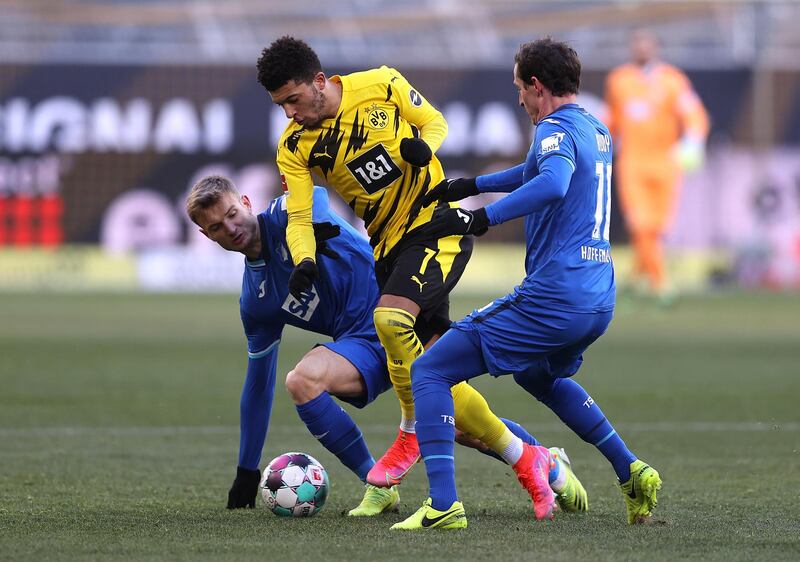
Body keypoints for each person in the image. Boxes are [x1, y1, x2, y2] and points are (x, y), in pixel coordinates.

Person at [255, 36, 571, 508]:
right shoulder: (295, 145)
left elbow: (434, 121)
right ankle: (535, 460)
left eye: (294, 101)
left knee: (389, 319)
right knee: (439, 381)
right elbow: (299, 217)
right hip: (388, 248)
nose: (290, 114)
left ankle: (409, 433)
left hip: (435, 226)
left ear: (319, 82)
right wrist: (303, 259)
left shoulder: (381, 84)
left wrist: (422, 147)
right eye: (281, 106)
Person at [185, 175, 587, 516]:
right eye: (217, 227)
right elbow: (258, 384)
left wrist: (317, 227)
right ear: (205, 235)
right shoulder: (255, 301)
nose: (230, 227)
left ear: (246, 201)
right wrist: (246, 470)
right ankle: (378, 484)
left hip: (399, 312)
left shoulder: (289, 215)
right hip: (360, 344)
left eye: (232, 214)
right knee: (301, 380)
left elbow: (315, 202)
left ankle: (548, 464)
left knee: (462, 427)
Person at [391, 38, 661, 531]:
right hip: (599, 295)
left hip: (556, 295)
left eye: (520, 88)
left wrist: (479, 220)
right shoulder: (593, 127)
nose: (519, 99)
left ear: (537, 86)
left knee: (429, 371)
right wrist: (470, 186)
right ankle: (631, 469)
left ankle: (443, 505)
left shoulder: (553, 127)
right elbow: (536, 171)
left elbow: (553, 182)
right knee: (537, 375)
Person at [604, 28, 709, 302]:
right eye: (637, 43)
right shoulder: (619, 80)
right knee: (640, 224)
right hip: (633, 163)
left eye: (646, 44)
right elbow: (610, 121)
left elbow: (694, 115)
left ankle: (636, 278)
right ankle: (660, 284)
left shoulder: (674, 81)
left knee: (656, 228)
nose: (641, 48)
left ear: (656, 48)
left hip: (666, 163)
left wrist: (693, 141)